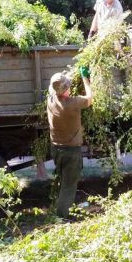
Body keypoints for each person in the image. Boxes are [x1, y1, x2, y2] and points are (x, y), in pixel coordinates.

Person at [47, 69, 93, 219]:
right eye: (69, 86)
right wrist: (85, 78)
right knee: (69, 185)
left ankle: (62, 206)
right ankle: (62, 217)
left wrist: (67, 75)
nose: (71, 88)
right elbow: (90, 98)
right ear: (66, 89)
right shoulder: (73, 103)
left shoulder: (51, 99)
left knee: (64, 179)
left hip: (56, 150)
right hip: (71, 153)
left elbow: (53, 86)